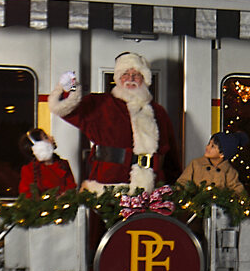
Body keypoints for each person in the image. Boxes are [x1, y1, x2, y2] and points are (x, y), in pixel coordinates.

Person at [50, 51, 180, 192]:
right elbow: (69, 109)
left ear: (145, 79)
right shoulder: (100, 104)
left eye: (136, 75)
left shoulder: (158, 111)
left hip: (151, 189)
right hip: (107, 187)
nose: (130, 78)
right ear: (118, 79)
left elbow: (170, 154)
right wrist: (71, 88)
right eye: (125, 74)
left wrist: (175, 185)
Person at [178, 131, 248, 194]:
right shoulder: (196, 164)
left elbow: (238, 190)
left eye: (212, 146)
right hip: (194, 205)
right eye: (209, 144)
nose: (207, 147)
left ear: (222, 154)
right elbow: (182, 182)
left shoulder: (229, 171)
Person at [17, 128, 76, 197]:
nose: (51, 138)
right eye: (46, 137)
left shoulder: (63, 165)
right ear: (38, 146)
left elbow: (71, 190)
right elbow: (27, 197)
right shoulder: (29, 170)